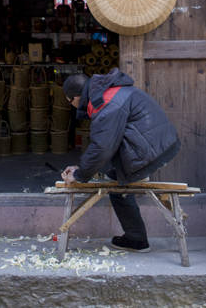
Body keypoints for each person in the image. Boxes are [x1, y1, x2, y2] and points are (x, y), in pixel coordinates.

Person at [60, 68, 180, 253]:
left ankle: (136, 240)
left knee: (116, 185)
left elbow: (102, 147)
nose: (72, 106)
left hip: (153, 149)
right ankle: (136, 238)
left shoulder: (105, 102)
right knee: (112, 175)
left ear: (75, 98)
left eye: (69, 102)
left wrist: (79, 174)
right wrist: (83, 168)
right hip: (160, 143)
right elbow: (106, 142)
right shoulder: (108, 91)